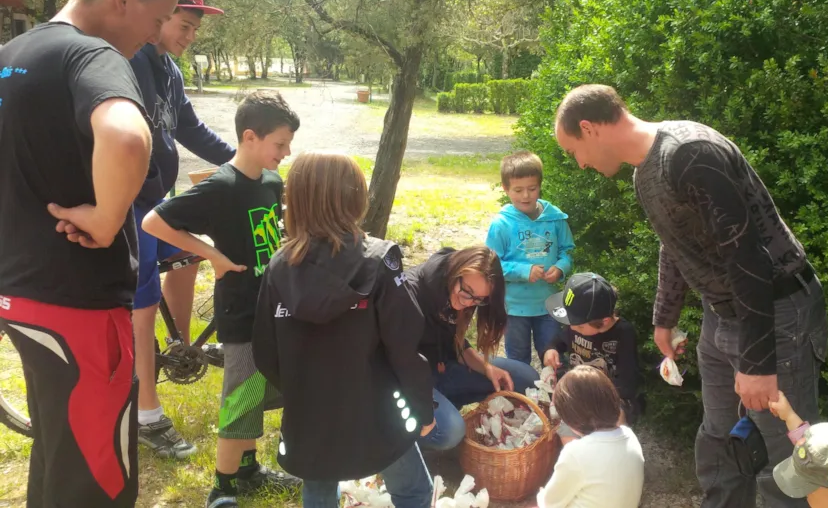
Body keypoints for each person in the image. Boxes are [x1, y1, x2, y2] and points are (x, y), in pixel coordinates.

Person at [554, 84, 828, 508]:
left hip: (776, 311)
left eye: (573, 151)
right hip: (720, 313)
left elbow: (747, 257)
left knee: (786, 456)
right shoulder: (645, 173)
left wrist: (758, 363)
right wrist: (664, 318)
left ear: (588, 128)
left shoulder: (689, 152)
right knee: (718, 436)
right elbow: (673, 244)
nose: (581, 164)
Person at [0, 0, 186, 505]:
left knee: (59, 452)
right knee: (97, 474)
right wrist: (107, 219)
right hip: (78, 305)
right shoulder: (93, 57)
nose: (155, 36)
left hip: (20, 297)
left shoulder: (11, 53)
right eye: (156, 20)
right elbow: (127, 136)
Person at [142, 90, 301, 508]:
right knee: (241, 396)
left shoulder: (270, 181)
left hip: (269, 306)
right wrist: (210, 253)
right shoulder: (221, 187)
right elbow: (153, 221)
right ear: (250, 136)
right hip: (239, 309)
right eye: (280, 144)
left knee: (260, 389)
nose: (286, 152)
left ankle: (247, 469)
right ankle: (221, 488)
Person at [252, 152, 436, 508]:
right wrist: (422, 408)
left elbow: (265, 349)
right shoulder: (381, 260)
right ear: (355, 198)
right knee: (413, 490)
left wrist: (298, 389)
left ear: (297, 201)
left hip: (309, 414)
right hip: (378, 412)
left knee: (319, 491)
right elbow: (405, 347)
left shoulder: (278, 266)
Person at [130, 0, 234, 460]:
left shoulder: (169, 70)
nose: (191, 35)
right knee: (143, 297)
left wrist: (243, 163)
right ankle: (146, 413)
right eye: (185, 24)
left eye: (195, 28)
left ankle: (181, 347)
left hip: (156, 201)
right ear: (160, 14)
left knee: (189, 253)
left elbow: (191, 128)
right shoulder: (127, 61)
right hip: (127, 208)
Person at [405, 246, 541, 451]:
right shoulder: (411, 293)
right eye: (467, 292)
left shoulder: (465, 294)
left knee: (526, 378)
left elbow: (456, 343)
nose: (468, 302)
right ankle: (411, 437)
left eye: (478, 299)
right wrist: (424, 406)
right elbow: (397, 365)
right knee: (450, 431)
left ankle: (445, 404)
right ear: (455, 272)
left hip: (444, 367)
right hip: (410, 380)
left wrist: (487, 368)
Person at [486, 150, 574, 365]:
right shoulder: (501, 225)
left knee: (553, 358)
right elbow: (489, 266)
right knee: (518, 361)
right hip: (514, 308)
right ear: (506, 189)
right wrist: (523, 271)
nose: (526, 195)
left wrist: (561, 267)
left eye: (532, 188)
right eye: (518, 190)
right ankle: (521, 398)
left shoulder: (555, 219)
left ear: (540, 185)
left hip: (549, 305)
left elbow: (567, 251)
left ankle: (554, 397)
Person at [542, 272, 643, 442]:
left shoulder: (624, 333)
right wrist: (551, 349)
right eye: (570, 323)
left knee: (614, 425)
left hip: (610, 399)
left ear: (603, 321)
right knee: (567, 434)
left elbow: (628, 383)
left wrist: (597, 402)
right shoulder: (577, 324)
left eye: (580, 327)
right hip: (578, 393)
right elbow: (559, 341)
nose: (573, 329)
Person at [536, 366, 644, 508]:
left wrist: (541, 495)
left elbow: (550, 503)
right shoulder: (630, 437)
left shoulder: (575, 453)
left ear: (571, 420)